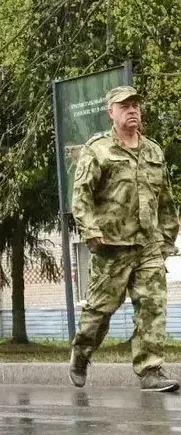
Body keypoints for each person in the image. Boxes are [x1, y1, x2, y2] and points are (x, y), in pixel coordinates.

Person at [69, 86, 180, 392]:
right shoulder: (98, 150)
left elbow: (166, 199)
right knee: (100, 311)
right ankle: (81, 353)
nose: (133, 110)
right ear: (111, 112)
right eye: (125, 106)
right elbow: (81, 197)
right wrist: (91, 233)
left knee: (153, 305)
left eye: (136, 105)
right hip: (111, 246)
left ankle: (150, 369)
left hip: (148, 246)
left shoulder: (153, 151)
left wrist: (167, 238)